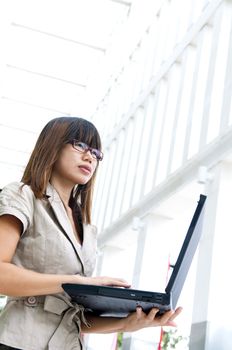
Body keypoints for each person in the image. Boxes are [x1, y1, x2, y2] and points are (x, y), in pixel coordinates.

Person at [0, 117, 182, 350]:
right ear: (53, 145)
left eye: (96, 153)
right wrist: (76, 282)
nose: (90, 157)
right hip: (19, 342)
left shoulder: (85, 225)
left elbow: (70, 318)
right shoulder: (22, 195)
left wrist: (127, 323)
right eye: (80, 146)